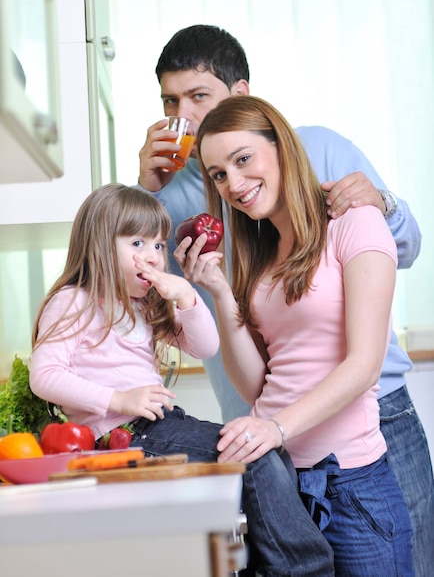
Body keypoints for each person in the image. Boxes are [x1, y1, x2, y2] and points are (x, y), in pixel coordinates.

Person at [137, 25, 433, 577]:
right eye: (170, 101)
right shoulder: (176, 195)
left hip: (364, 418)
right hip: (269, 441)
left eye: (199, 96)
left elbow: (401, 248)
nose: (184, 114)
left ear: (245, 97)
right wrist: (143, 191)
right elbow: (142, 296)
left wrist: (383, 202)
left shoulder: (323, 157)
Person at [29, 183, 335, 577]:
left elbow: (204, 346)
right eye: (137, 242)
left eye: (158, 245)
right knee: (252, 454)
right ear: (100, 243)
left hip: (160, 425)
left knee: (268, 451)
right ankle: (307, 570)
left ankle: (271, 566)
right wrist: (120, 399)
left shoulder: (141, 304)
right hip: (123, 435)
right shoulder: (73, 301)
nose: (152, 256)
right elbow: (45, 376)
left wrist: (188, 298)